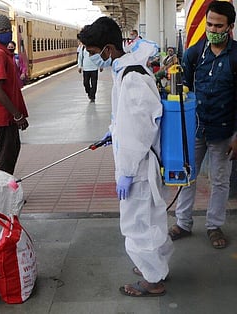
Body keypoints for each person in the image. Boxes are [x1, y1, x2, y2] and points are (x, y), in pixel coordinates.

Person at [79, 17, 173, 297]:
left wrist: (128, 172)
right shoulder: (126, 70)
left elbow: (140, 129)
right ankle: (155, 266)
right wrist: (113, 132)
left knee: (137, 223)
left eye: (95, 53)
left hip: (139, 166)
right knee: (150, 219)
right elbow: (127, 119)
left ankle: (152, 281)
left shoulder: (132, 77)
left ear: (108, 49)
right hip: (139, 161)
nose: (94, 58)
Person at [170, 1, 237, 249]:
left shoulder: (236, 56)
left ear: (230, 26)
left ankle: (214, 225)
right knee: (187, 176)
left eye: (218, 25)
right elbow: (183, 91)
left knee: (220, 180)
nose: (212, 29)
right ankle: (183, 223)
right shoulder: (195, 53)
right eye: (209, 24)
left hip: (224, 131)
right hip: (195, 128)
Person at [0, 14, 29, 175]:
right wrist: (17, 115)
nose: (8, 33)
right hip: (4, 114)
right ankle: (4, 192)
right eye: (3, 30)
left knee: (11, 149)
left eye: (9, 30)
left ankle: (6, 189)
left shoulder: (1, 52)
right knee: (7, 154)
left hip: (6, 113)